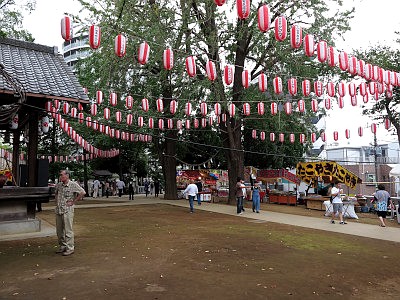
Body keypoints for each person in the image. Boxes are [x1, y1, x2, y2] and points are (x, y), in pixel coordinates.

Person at [54, 169, 85, 256]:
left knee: (68, 230)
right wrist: (56, 202)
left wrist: (73, 202)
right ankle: (62, 246)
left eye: (62, 175)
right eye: (60, 175)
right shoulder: (59, 185)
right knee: (59, 231)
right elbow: (56, 193)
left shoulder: (73, 184)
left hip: (68, 210)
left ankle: (70, 248)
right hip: (59, 209)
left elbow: (82, 192)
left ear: (67, 176)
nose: (60, 176)